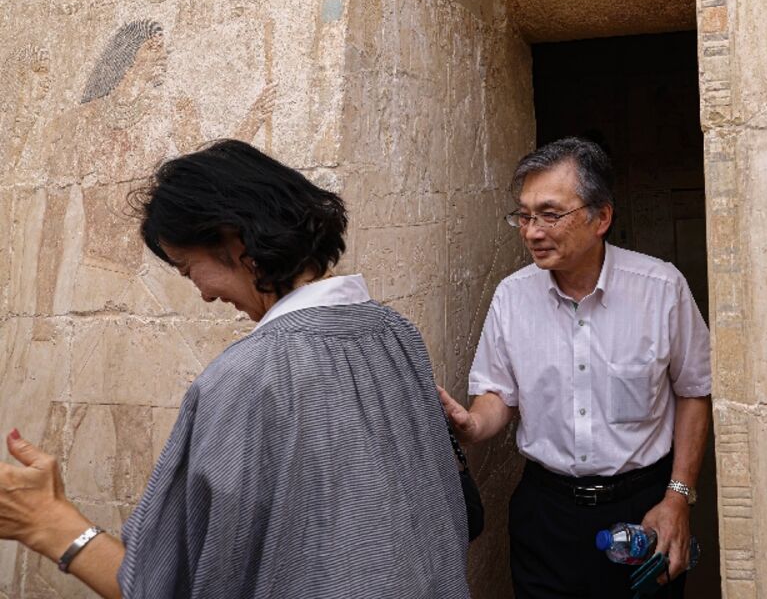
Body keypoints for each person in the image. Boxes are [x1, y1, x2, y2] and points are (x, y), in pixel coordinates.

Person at [0, 139, 470, 598]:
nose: (203, 293)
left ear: (234, 238)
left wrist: (48, 521)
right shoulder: (395, 331)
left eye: (188, 269)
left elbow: (160, 585)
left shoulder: (246, 378)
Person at [437, 137, 712, 598]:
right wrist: (472, 423)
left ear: (600, 217)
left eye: (549, 214)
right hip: (547, 515)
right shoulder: (512, 295)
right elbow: (499, 394)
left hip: (643, 510)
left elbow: (693, 391)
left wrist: (678, 497)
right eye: (524, 216)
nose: (531, 231)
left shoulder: (661, 288)